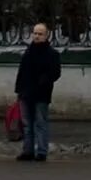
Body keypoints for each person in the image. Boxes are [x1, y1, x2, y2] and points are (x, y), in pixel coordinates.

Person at [14, 22, 62, 161]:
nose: (36, 36)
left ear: (46, 36)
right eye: (35, 33)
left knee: (40, 123)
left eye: (40, 34)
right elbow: (21, 72)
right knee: (27, 124)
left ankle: (41, 151)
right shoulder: (28, 51)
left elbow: (55, 73)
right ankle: (28, 151)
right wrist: (19, 90)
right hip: (25, 93)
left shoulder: (52, 54)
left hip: (41, 94)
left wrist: (43, 82)